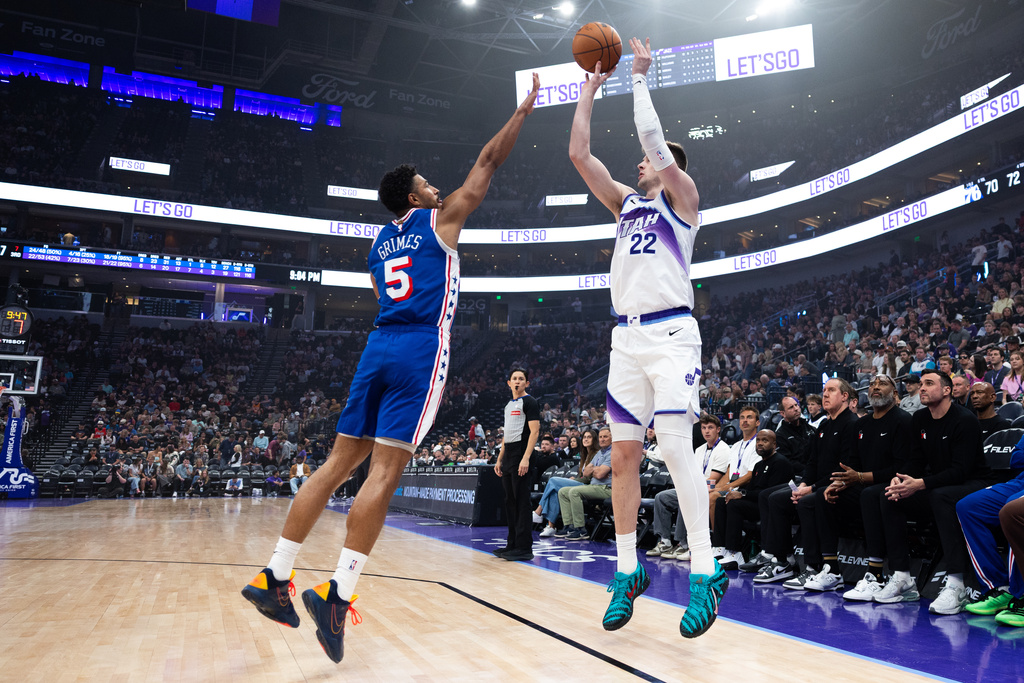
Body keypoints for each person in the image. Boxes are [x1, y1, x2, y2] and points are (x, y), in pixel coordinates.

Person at [241, 74, 542, 664]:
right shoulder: (441, 220)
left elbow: (387, 284)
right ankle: (337, 594)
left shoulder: (379, 241)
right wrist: (522, 113)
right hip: (418, 349)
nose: (436, 188)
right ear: (413, 197)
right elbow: (486, 161)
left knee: (335, 465)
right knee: (383, 474)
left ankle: (275, 575)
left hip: (375, 345)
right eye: (426, 184)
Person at [568, 37, 726, 639]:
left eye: (653, 163)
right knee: (625, 455)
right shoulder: (624, 206)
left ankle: (705, 571)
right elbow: (581, 153)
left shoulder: (682, 203)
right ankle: (628, 570)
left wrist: (637, 78)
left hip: (671, 335)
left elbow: (653, 143)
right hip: (625, 341)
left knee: (677, 447)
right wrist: (589, 87)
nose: (641, 166)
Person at [869, 370, 992, 614]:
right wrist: (900, 479)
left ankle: (957, 584)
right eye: (921, 384)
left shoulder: (965, 419)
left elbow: (961, 470)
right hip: (937, 483)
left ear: (947, 390)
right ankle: (902, 576)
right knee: (891, 495)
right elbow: (915, 459)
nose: (921, 388)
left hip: (972, 484)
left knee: (941, 496)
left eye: (929, 383)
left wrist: (921, 483)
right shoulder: (920, 419)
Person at [956, 431, 1024, 620]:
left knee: (1013, 510)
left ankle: (1021, 593)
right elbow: (1017, 458)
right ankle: (998, 588)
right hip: (1020, 481)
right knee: (968, 507)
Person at [649, 413, 730, 561]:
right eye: (704, 428)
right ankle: (665, 541)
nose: (706, 431)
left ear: (718, 429)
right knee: (661, 497)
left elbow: (713, 480)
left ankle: (683, 543)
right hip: (694, 487)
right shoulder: (699, 449)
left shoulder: (724, 450)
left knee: (686, 496)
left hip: (710, 490)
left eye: (710, 428)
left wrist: (689, 487)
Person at [713, 430, 793, 570]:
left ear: (774, 444)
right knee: (721, 500)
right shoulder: (758, 465)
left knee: (735, 505)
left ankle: (735, 553)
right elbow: (752, 490)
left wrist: (742, 494)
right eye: (758, 440)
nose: (760, 443)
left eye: (765, 440)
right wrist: (737, 493)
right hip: (756, 503)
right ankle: (720, 548)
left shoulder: (781, 463)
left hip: (770, 508)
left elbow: (770, 494)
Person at [493, 368, 541, 562]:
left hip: (522, 453)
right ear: (509, 382)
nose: (518, 381)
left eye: (521, 379)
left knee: (521, 501)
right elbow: (507, 434)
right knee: (510, 501)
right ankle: (511, 544)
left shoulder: (530, 402)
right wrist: (499, 458)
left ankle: (524, 547)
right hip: (509, 455)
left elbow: (535, 432)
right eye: (514, 378)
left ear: (527, 383)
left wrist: (526, 458)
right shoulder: (508, 405)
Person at [535, 428, 600, 538]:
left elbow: (588, 478)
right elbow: (583, 475)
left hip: (588, 486)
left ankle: (538, 511)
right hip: (581, 483)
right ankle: (552, 526)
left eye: (589, 437)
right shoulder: (585, 455)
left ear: (594, 440)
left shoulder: (596, 454)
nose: (586, 439)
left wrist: (575, 480)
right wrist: (576, 479)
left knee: (553, 480)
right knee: (557, 490)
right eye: (584, 437)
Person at [556, 427, 614, 540]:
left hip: (606, 488)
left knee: (574, 491)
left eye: (605, 437)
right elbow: (586, 473)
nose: (602, 439)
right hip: (594, 486)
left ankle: (581, 529)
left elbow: (600, 474)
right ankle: (569, 526)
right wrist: (596, 470)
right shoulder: (599, 453)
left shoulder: (612, 452)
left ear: (612, 438)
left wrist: (595, 469)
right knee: (562, 491)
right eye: (601, 437)